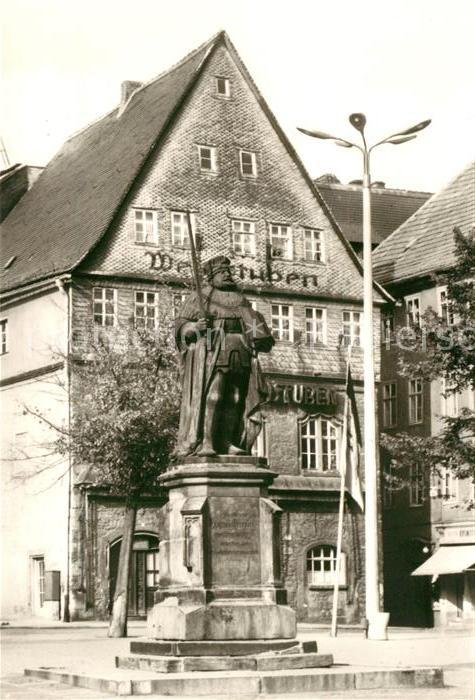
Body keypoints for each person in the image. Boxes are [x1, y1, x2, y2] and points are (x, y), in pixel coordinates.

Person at [174, 255, 274, 457]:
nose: (227, 275)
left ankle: (227, 441)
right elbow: (180, 326)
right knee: (214, 394)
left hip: (240, 349)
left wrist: (259, 336)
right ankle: (207, 442)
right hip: (214, 348)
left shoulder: (240, 299)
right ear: (212, 276)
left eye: (228, 271)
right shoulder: (201, 297)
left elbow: (253, 324)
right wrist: (194, 327)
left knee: (236, 398)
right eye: (222, 272)